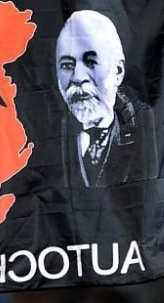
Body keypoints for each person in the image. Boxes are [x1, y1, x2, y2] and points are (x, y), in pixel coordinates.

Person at [56, 10, 157, 188]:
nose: (78, 77)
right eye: (66, 65)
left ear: (118, 71)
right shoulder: (45, 136)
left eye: (91, 62)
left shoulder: (149, 128)